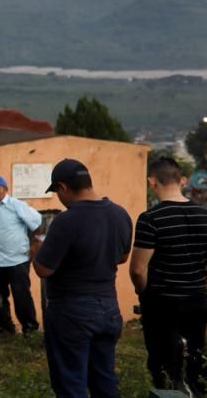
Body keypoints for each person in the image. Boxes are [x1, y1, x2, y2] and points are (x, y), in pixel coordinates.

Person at [34, 158, 132, 398]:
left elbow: (43, 270)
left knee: (71, 383)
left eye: (57, 191)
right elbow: (122, 257)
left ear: (63, 187)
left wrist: (36, 249)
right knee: (105, 379)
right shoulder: (120, 214)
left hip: (71, 311)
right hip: (109, 308)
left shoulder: (66, 221)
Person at [129, 157, 207, 394]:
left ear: (151, 181)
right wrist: (201, 278)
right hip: (197, 300)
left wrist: (146, 292)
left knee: (164, 366)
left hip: (163, 303)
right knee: (197, 360)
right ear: (183, 181)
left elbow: (137, 269)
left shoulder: (151, 219)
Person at [0, 175, 43, 334]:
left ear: (5, 190)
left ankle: (29, 327)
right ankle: (4, 327)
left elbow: (37, 223)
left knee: (21, 295)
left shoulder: (17, 205)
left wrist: (34, 245)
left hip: (17, 260)